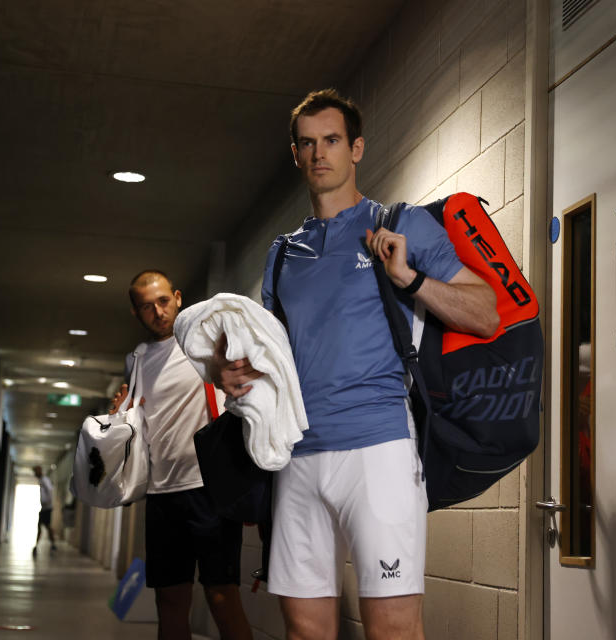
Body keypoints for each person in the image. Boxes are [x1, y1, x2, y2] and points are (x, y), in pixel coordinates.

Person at [215, 89, 500, 640]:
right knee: (304, 630)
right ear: (295, 155)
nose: (319, 153)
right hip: (298, 457)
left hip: (379, 450)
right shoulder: (282, 253)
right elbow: (271, 357)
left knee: (392, 629)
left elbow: (486, 313)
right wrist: (230, 375)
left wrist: (410, 279)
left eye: (332, 140)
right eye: (307, 143)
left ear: (357, 148)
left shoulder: (402, 224)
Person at [110, 270, 252, 640]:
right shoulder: (138, 360)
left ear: (176, 298)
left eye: (162, 301)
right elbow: (139, 421)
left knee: (222, 597)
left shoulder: (206, 341)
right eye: (146, 307)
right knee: (170, 602)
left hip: (209, 490)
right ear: (136, 314)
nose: (157, 312)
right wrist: (119, 417)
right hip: (161, 494)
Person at [32, 465, 56, 557]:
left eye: (35, 472)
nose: (35, 474)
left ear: (39, 471)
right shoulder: (42, 480)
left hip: (46, 508)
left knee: (45, 526)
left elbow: (50, 490)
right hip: (45, 507)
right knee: (46, 526)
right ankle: (52, 544)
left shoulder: (45, 480)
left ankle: (49, 544)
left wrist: (48, 502)